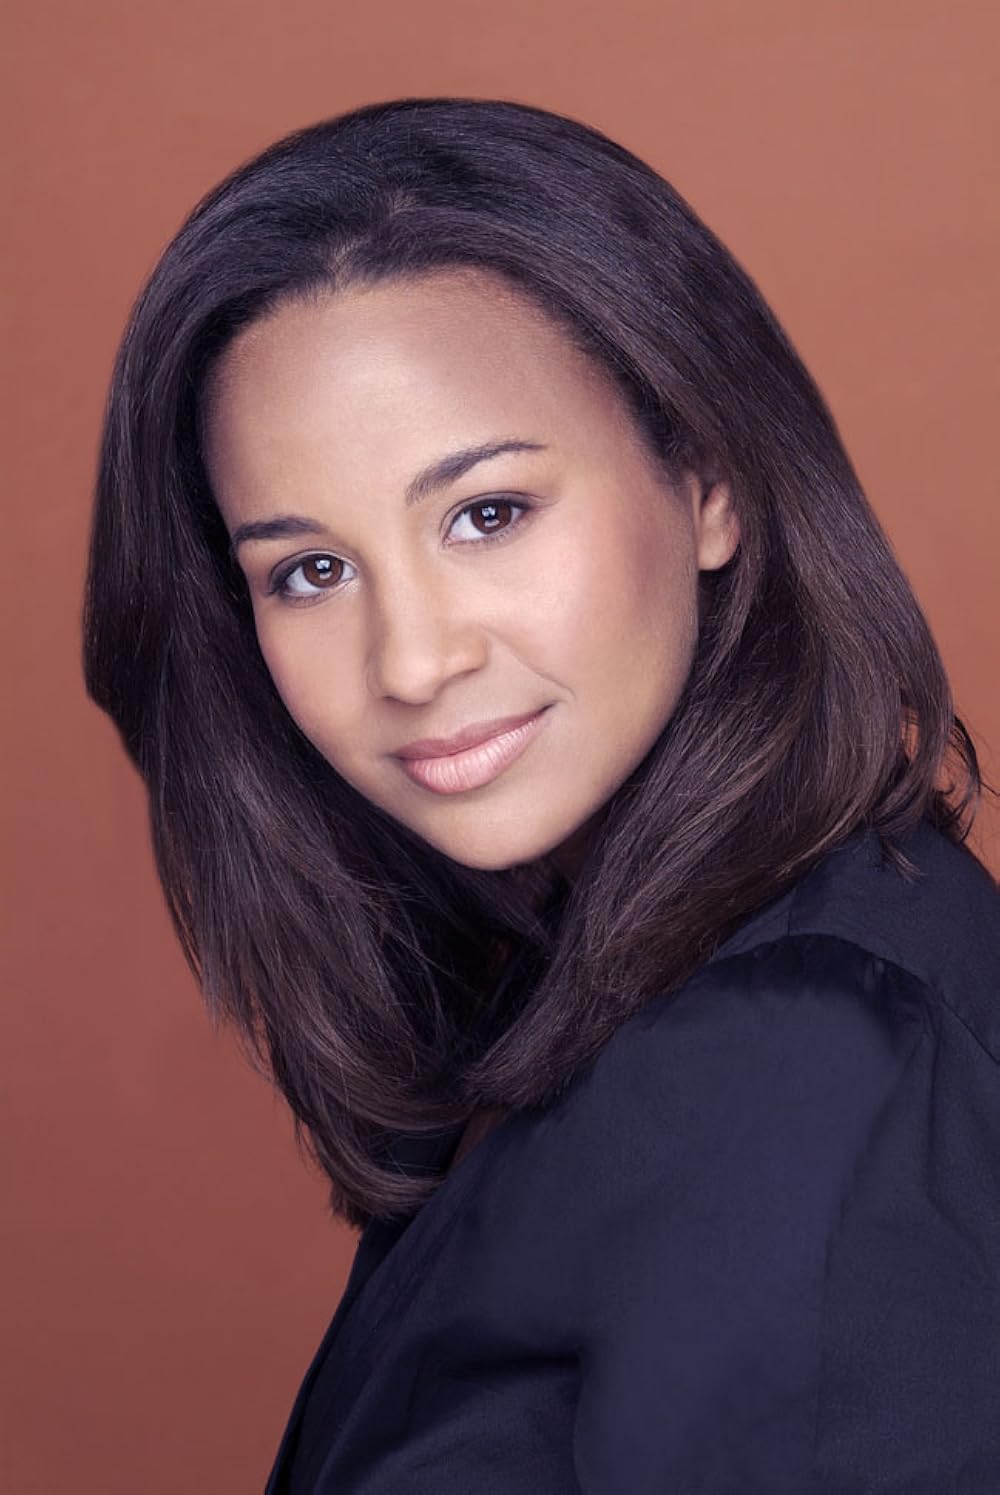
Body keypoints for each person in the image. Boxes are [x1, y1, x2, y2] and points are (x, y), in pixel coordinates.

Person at [82, 97, 999, 1493]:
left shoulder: (805, 1054)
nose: (413, 658)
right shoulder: (582, 991)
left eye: (487, 514)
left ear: (706, 479)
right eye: (308, 571)